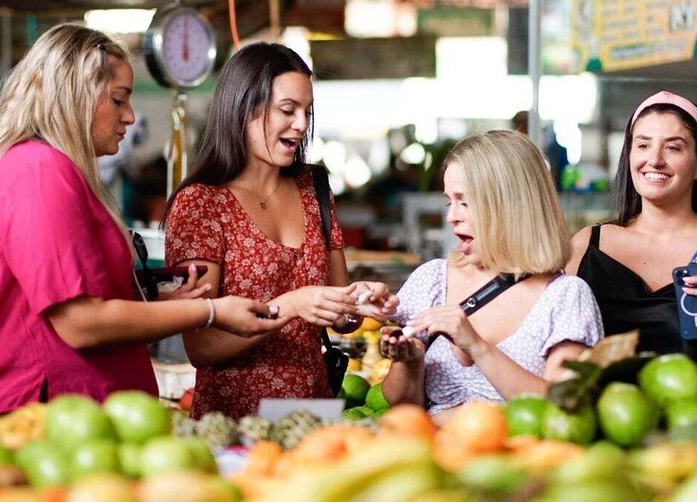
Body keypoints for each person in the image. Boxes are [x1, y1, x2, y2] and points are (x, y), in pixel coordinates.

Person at [0, 24, 288, 416]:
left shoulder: (57, 170)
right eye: (118, 100)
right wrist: (212, 311)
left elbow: (68, 299)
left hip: (84, 413)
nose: (130, 117)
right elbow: (80, 321)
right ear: (74, 96)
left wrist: (153, 299)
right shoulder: (38, 169)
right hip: (54, 415)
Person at [163, 42, 398, 419]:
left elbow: (340, 312)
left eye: (307, 112)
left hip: (313, 414)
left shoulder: (313, 186)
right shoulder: (201, 204)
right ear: (242, 109)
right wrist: (289, 306)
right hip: (235, 423)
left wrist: (358, 304)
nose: (302, 125)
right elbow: (201, 345)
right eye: (287, 111)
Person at [379, 130, 603, 423]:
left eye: (465, 202)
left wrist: (477, 346)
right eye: (450, 202)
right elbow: (402, 404)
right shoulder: (433, 280)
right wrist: (408, 361)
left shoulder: (565, 296)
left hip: (514, 461)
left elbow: (563, 406)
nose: (452, 217)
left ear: (511, 206)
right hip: (430, 457)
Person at [566, 91, 697, 359]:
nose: (655, 159)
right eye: (643, 145)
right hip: (597, 400)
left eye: (673, 147)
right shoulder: (586, 245)